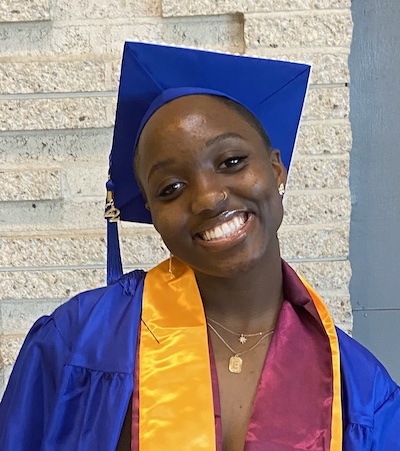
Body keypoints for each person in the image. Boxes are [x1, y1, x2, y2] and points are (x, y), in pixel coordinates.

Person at [1, 42, 399, 451]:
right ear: (153, 214)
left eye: (231, 162)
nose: (208, 198)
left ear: (276, 169)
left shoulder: (360, 388)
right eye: (171, 188)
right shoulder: (78, 340)